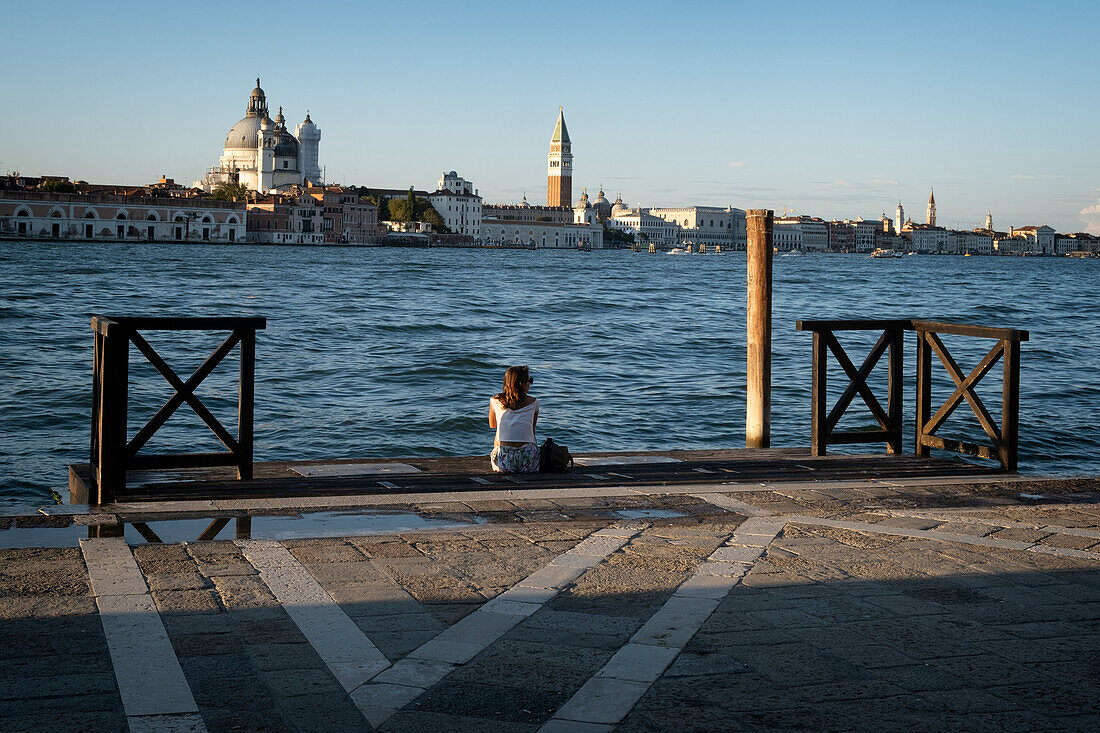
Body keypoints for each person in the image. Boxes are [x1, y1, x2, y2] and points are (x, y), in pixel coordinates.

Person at [488, 365, 540, 472]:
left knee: (498, 429)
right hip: (527, 458)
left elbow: (492, 425)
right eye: (530, 380)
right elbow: (532, 431)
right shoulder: (534, 402)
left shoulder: (495, 401)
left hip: (505, 460)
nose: (530, 383)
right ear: (522, 384)